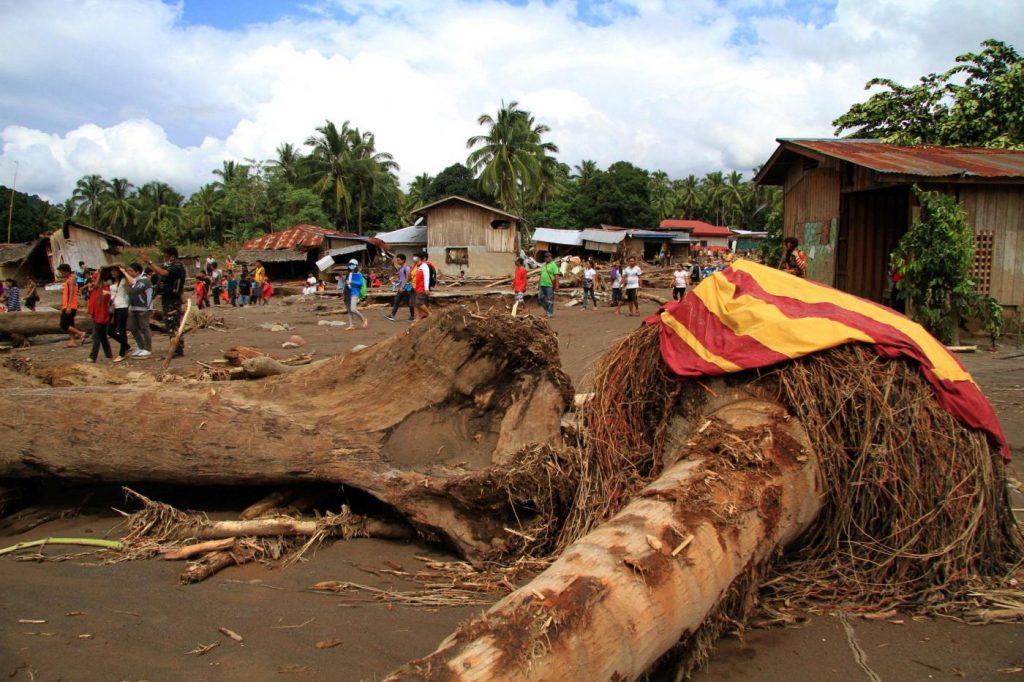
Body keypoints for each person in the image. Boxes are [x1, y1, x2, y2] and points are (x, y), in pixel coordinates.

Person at [145, 245, 186, 358]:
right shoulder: (171, 266)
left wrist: (150, 262)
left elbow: (163, 273)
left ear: (172, 256)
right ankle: (175, 348)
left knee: (173, 324)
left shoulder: (176, 266)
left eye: (166, 256)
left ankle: (177, 349)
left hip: (173, 299)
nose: (164, 258)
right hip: (168, 298)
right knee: (170, 324)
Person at [120, 262, 153, 358]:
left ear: (137, 272)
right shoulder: (131, 281)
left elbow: (149, 294)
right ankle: (141, 346)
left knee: (144, 328)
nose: (129, 273)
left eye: (131, 271)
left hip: (143, 308)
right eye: (128, 271)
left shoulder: (145, 281)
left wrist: (149, 307)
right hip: (133, 308)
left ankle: (148, 348)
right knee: (132, 328)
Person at [86, 267, 113, 362]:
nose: (93, 281)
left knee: (96, 336)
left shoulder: (105, 290)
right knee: (102, 337)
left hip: (101, 316)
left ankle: (93, 356)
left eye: (94, 280)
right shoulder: (97, 289)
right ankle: (108, 354)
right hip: (99, 315)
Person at [57, 263, 86, 347]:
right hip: (67, 305)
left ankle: (80, 333)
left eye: (62, 272)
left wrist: (69, 306)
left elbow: (72, 293)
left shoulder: (71, 279)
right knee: (70, 324)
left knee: (63, 325)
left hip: (70, 306)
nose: (61, 274)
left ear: (66, 271)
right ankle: (72, 341)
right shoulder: (68, 279)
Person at [108, 266, 131, 362]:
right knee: (109, 330)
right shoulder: (112, 282)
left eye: (115, 270)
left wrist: (124, 271)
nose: (112, 272)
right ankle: (125, 345)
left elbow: (131, 282)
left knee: (121, 330)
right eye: (111, 270)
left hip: (122, 306)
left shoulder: (123, 280)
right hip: (115, 308)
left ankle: (122, 353)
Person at [386, 254, 414, 322]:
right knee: (396, 301)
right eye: (397, 260)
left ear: (403, 260)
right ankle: (392, 315)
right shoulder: (401, 268)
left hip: (406, 287)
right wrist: (395, 280)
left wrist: (403, 287)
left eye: (398, 260)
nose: (397, 261)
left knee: (409, 302)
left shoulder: (407, 268)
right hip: (402, 287)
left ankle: (412, 316)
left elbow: (407, 279)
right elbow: (401, 278)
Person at [537, 252, 559, 319]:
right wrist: (539, 284)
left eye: (547, 257)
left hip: (549, 285)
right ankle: (547, 310)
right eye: (545, 257)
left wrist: (557, 285)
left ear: (550, 257)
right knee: (540, 298)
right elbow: (541, 275)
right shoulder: (543, 265)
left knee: (550, 299)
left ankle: (549, 313)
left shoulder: (554, 265)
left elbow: (556, 276)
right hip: (542, 285)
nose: (546, 258)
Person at [346, 263, 368, 330]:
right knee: (349, 310)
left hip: (355, 293)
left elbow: (360, 283)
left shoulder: (359, 274)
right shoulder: (349, 274)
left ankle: (364, 319)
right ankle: (351, 325)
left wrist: (351, 282)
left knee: (353, 309)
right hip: (348, 293)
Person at [412, 252, 432, 323]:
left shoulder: (424, 266)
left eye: (415, 257)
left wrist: (426, 288)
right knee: (417, 304)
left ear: (419, 258)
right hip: (417, 287)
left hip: (422, 288)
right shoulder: (418, 266)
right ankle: (418, 317)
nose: (414, 258)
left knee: (419, 303)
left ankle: (429, 314)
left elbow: (426, 277)